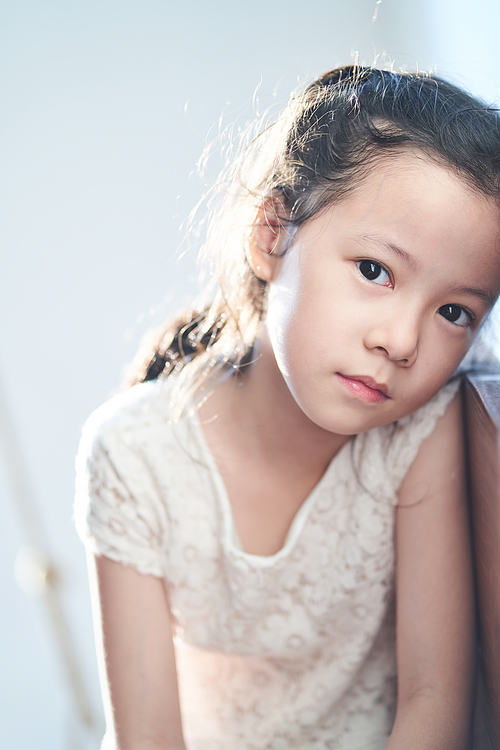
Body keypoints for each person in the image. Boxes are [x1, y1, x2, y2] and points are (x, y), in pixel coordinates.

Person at [75, 65, 500, 750]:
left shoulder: (423, 429)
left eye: (454, 311)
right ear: (272, 234)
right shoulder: (131, 451)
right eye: (374, 270)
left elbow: (434, 703)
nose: (400, 341)